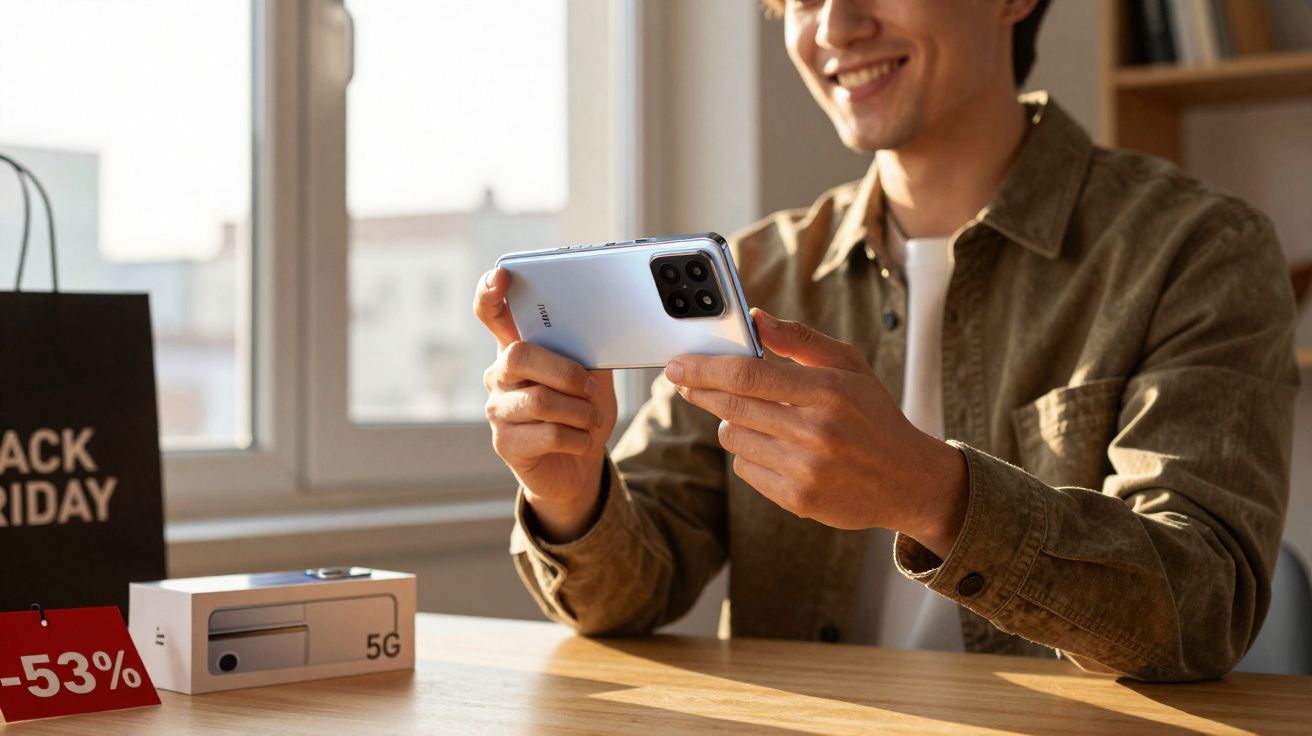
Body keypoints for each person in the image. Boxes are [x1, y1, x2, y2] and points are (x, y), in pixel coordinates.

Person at [474, 0, 1299, 681]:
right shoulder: (758, 272)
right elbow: (627, 594)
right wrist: (570, 490)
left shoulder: (1196, 252)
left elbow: (1201, 608)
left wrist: (930, 493)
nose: (833, 25)